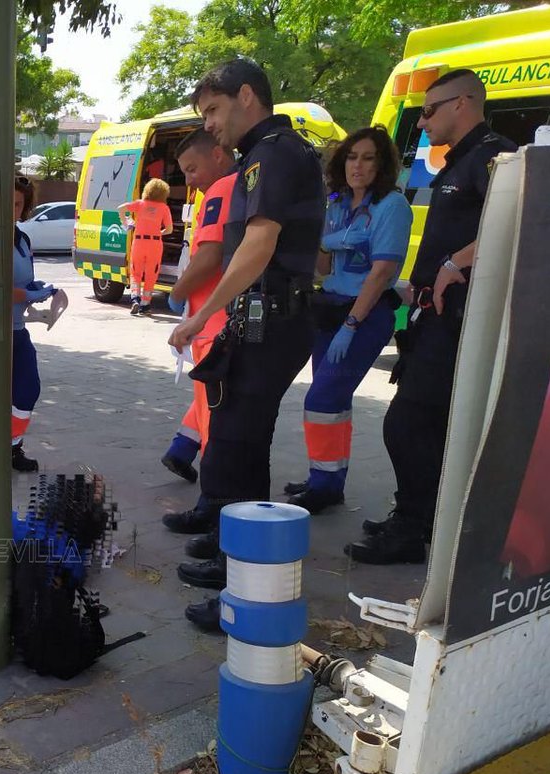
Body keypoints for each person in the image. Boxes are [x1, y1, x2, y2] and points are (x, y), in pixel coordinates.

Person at [166, 59, 325, 631]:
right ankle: (239, 562)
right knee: (238, 442)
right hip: (266, 318)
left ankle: (248, 584)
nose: (209, 124)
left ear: (247, 96)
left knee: (236, 444)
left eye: (213, 109)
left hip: (274, 321)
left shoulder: (276, 152)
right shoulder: (272, 152)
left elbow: (258, 246)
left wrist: (201, 314)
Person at [347, 69, 516, 564]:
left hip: (460, 318)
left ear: (462, 103)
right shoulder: (459, 163)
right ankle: (418, 519)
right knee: (428, 425)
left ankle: (412, 527)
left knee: (407, 423)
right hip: (432, 317)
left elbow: (520, 219)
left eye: (428, 110)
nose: (421, 122)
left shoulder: (494, 158)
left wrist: (453, 263)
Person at [280, 127, 412, 514]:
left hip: (363, 314)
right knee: (333, 402)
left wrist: (352, 326)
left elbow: (381, 272)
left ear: (381, 163)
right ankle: (327, 479)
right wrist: (323, 241)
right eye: (352, 156)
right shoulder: (336, 206)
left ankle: (324, 483)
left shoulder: (392, 207)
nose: (358, 165)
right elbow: (322, 267)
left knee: (322, 397)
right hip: (331, 308)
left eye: (368, 157)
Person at [160, 128, 238, 484]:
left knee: (214, 415)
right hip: (224, 319)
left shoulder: (221, 190)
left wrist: (178, 293)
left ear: (218, 155)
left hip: (213, 324)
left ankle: (213, 494)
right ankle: (186, 452)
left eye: (193, 169)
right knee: (215, 406)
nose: (189, 179)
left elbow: (208, 257)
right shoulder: (246, 185)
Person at [11, 176, 68, 472]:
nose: (11, 209)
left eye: (18, 204)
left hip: (17, 331)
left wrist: (48, 287)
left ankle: (11, 446)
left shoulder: (22, 239)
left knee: (27, 390)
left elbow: (25, 281)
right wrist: (35, 293)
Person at [119, 178, 174, 314]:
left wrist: (126, 223)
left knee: (135, 271)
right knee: (151, 274)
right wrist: (158, 233)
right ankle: (145, 304)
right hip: (155, 243)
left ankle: (135, 299)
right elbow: (169, 230)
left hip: (139, 242)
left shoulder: (140, 204)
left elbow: (120, 208)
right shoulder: (164, 208)